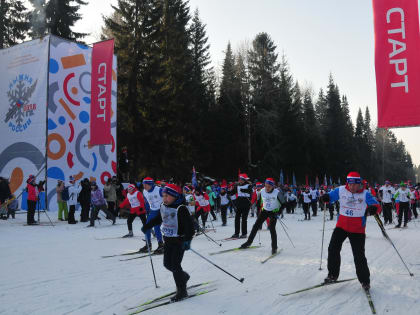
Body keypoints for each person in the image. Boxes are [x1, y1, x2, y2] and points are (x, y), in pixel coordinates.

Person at [321, 172, 379, 290]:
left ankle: (365, 281)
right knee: (333, 248)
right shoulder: (341, 190)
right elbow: (330, 196)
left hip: (357, 229)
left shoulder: (365, 193)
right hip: (341, 226)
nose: (352, 187)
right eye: (350, 184)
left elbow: (376, 205)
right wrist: (325, 197)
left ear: (359, 184)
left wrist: (373, 208)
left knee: (359, 255)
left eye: (355, 185)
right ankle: (332, 274)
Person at [141, 184, 194, 302]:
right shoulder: (163, 206)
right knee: (167, 264)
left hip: (179, 241)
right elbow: (159, 219)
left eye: (167, 196)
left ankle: (182, 290)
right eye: (163, 196)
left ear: (175, 196)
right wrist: (148, 226)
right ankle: (183, 276)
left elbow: (190, 227)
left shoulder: (181, 208)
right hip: (168, 240)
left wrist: (187, 240)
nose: (164, 198)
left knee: (175, 265)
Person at [240, 178, 285, 254]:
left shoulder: (277, 192)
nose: (267, 188)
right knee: (255, 226)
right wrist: (258, 209)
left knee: (272, 228)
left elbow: (284, 204)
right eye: (266, 186)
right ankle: (248, 242)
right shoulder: (262, 190)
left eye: (269, 187)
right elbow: (260, 201)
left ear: (273, 186)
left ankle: (274, 247)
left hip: (274, 212)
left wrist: (278, 212)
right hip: (264, 211)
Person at [142, 177, 164, 254]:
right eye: (143, 184)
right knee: (147, 227)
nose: (144, 186)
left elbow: (168, 198)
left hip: (161, 211)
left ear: (150, 184)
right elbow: (147, 201)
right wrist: (147, 210)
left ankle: (161, 245)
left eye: (146, 185)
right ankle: (148, 245)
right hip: (152, 210)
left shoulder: (159, 190)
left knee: (156, 227)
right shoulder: (144, 191)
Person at [231, 174, 252, 238]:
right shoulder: (237, 186)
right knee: (237, 218)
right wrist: (229, 192)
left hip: (246, 202)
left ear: (244, 180)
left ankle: (244, 234)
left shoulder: (249, 185)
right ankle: (236, 233)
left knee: (244, 219)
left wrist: (244, 190)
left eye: (242, 180)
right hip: (239, 202)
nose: (240, 181)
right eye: (240, 180)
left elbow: (250, 191)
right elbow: (233, 192)